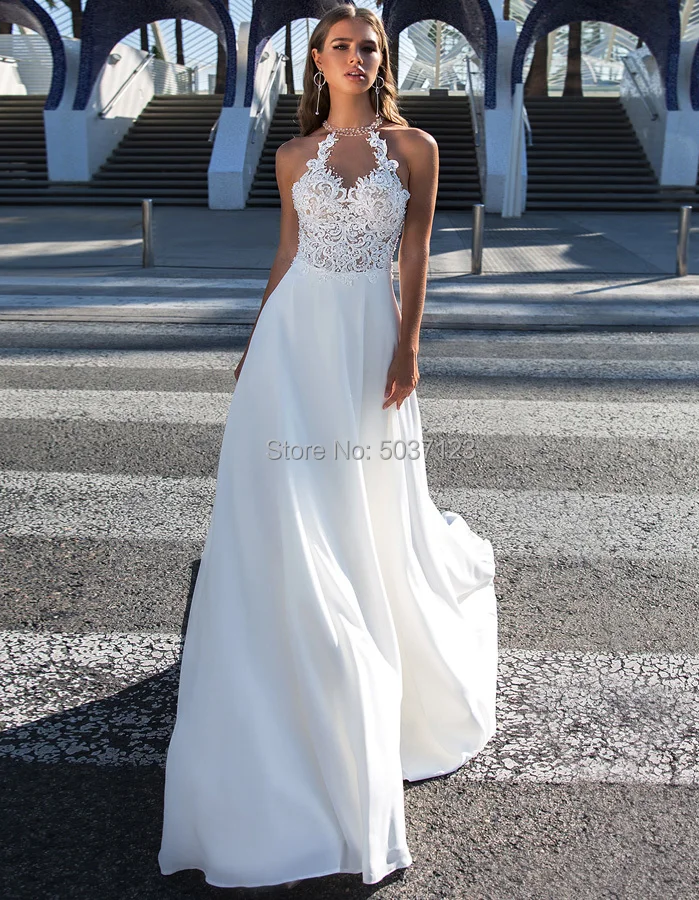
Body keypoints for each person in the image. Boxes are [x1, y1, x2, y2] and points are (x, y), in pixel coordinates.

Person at [158, 4, 498, 889]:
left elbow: (417, 250)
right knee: (287, 501)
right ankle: (293, 650)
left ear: (384, 60)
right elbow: (287, 252)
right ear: (317, 60)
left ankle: (370, 651)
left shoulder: (415, 147)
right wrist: (253, 341)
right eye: (341, 46)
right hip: (293, 338)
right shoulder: (291, 156)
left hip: (365, 337)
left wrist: (409, 344)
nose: (357, 57)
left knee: (363, 498)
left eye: (369, 47)